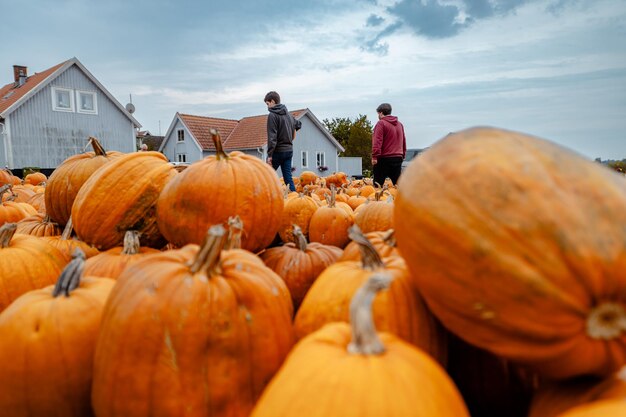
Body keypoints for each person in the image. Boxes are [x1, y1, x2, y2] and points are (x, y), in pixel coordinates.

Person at [264, 91, 301, 191]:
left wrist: (270, 156)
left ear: (272, 101)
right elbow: (298, 124)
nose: (267, 107)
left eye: (267, 104)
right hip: (289, 151)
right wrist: (292, 136)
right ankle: (295, 197)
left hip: (277, 151)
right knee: (288, 178)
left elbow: (272, 138)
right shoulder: (289, 115)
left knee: (265, 176)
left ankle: (263, 198)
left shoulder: (272, 115)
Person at [371, 103, 406, 186]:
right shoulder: (399, 124)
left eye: (378, 114)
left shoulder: (381, 123)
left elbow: (377, 141)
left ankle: (378, 199)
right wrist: (403, 154)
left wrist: (375, 156)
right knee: (398, 186)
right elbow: (403, 141)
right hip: (398, 157)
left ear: (381, 113)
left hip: (384, 158)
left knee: (377, 185)